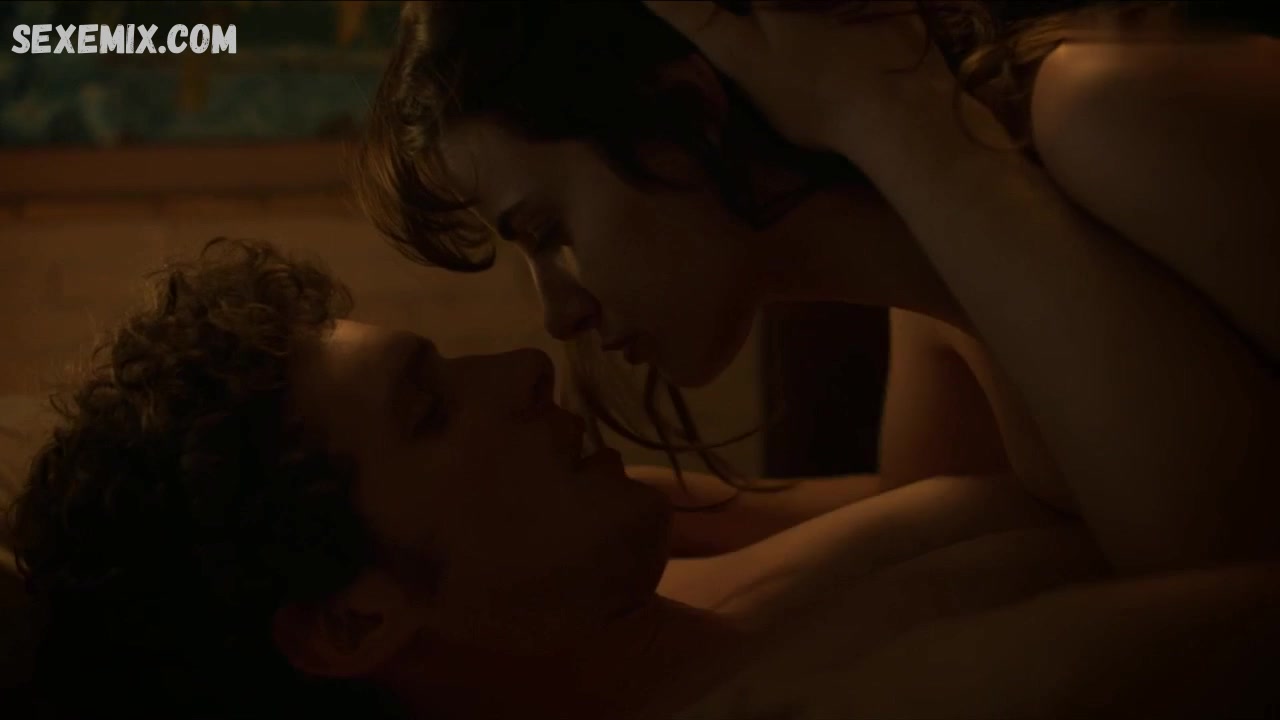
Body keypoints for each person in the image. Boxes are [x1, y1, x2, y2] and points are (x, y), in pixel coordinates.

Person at [6, 238, 1117, 719]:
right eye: (429, 411)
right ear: (352, 623)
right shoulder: (832, 707)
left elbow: (941, 497)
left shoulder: (610, 559)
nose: (523, 366)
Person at [352, 0, 1279, 575]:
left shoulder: (1116, 119)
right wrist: (560, 511)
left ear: (685, 110)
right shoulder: (930, 285)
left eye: (547, 231)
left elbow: (1228, 558)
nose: (559, 313)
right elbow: (937, 516)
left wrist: (882, 110)